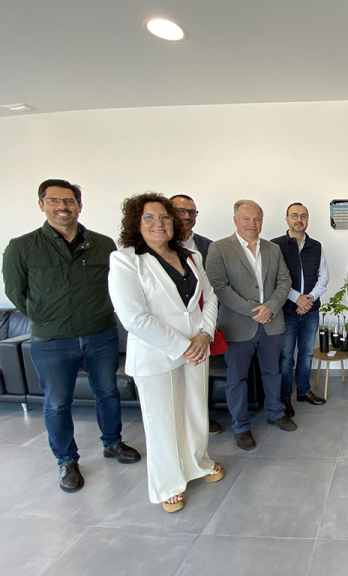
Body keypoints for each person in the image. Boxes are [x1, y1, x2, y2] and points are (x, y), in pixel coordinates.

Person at [2, 179, 140, 493]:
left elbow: (117, 285)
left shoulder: (102, 244)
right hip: (52, 340)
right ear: (42, 204)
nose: (62, 207)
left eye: (69, 201)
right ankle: (66, 460)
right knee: (57, 403)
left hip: (100, 333)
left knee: (108, 392)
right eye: (54, 200)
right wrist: (44, 318)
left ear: (79, 205)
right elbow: (15, 291)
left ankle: (112, 443)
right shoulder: (22, 247)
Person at [109, 192, 224, 512]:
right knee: (162, 420)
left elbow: (210, 297)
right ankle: (168, 483)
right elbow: (134, 317)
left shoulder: (191, 256)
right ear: (136, 222)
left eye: (164, 217)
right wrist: (185, 345)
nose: (158, 223)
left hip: (197, 348)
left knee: (195, 411)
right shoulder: (125, 260)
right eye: (149, 217)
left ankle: (198, 463)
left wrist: (204, 334)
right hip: (157, 354)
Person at [206, 200, 294, 451]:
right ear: (235, 220)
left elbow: (284, 281)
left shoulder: (272, 249)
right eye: (246, 218)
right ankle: (241, 426)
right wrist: (254, 310)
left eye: (257, 219)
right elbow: (219, 287)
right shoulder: (219, 248)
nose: (252, 224)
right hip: (237, 326)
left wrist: (271, 307)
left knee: (273, 372)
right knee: (236, 379)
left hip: (271, 323)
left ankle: (275, 412)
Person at [170, 193, 221, 436]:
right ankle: (178, 424)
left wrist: (206, 329)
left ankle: (202, 418)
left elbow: (213, 290)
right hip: (170, 327)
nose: (187, 216)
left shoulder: (207, 247)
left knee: (199, 376)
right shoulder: (152, 248)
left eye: (192, 212)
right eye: (181, 211)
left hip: (202, 325)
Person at [272, 203, 329, 417]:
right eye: (294, 215)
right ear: (287, 219)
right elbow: (274, 278)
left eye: (303, 216)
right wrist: (297, 299)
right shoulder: (275, 246)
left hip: (311, 310)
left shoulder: (316, 246)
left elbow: (324, 276)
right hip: (287, 311)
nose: (299, 220)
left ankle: (303, 391)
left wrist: (309, 299)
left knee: (306, 353)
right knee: (286, 355)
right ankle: (285, 396)